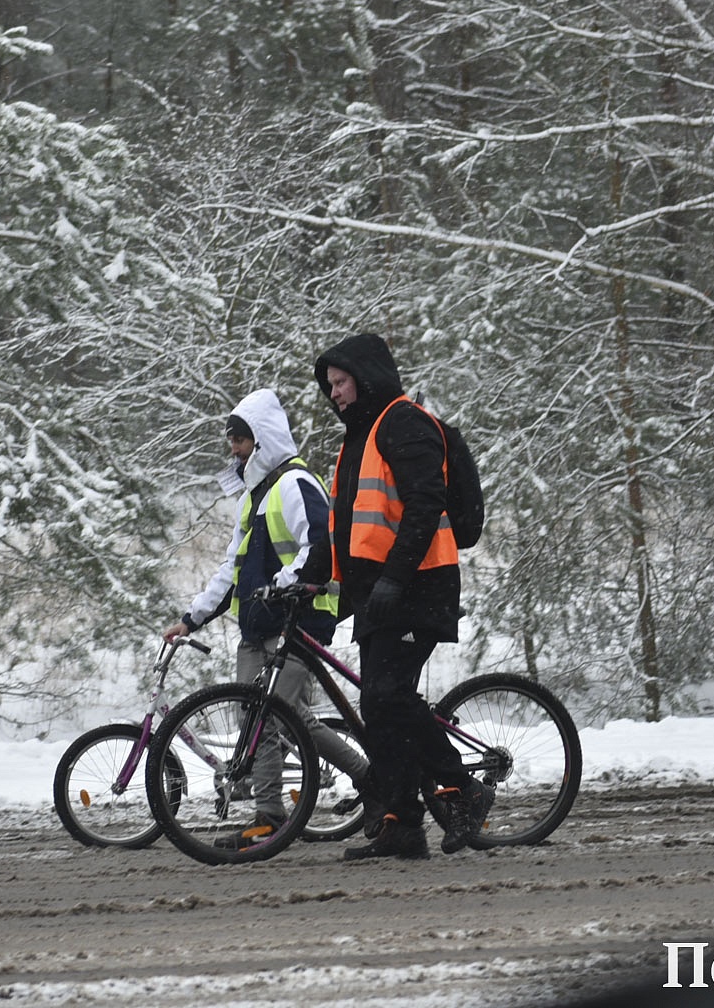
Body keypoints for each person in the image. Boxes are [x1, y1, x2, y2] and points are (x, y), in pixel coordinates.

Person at [162, 388, 369, 848]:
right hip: (257, 628)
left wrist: (282, 585)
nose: (233, 448)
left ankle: (271, 816)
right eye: (231, 440)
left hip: (297, 620)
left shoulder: (295, 484)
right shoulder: (254, 496)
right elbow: (231, 570)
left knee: (274, 719)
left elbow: (321, 546)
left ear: (264, 438)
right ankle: (358, 782)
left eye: (240, 438)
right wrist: (191, 618)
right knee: (262, 719)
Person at [313, 332, 493, 860]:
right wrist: (308, 579)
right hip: (380, 596)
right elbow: (343, 526)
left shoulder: (403, 423)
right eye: (330, 386)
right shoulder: (358, 440)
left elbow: (424, 505)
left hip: (418, 587)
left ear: (365, 378)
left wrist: (394, 577)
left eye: (341, 382)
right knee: (378, 705)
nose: (335, 394)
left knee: (390, 696)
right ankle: (402, 824)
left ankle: (463, 788)